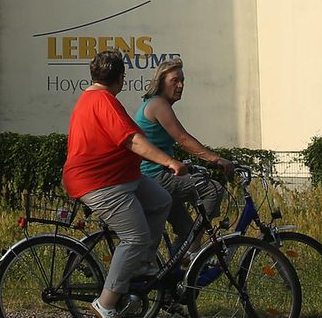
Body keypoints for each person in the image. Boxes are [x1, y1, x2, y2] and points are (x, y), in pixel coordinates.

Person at [64, 49, 188, 318]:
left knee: (161, 200)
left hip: (120, 177)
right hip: (101, 182)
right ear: (121, 78)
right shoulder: (102, 101)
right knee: (135, 236)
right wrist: (169, 162)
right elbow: (132, 140)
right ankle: (106, 303)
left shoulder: (93, 97)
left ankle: (142, 265)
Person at [136, 61, 231, 244]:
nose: (180, 85)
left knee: (187, 231)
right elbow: (183, 139)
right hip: (156, 176)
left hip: (154, 176)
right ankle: (195, 244)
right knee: (213, 189)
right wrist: (217, 159)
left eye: (182, 80)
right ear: (161, 82)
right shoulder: (158, 104)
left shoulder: (154, 104)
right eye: (175, 80)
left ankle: (182, 262)